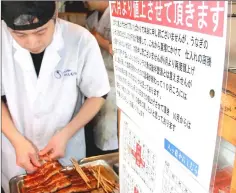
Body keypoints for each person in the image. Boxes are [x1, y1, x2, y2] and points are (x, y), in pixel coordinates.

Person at [1, 1, 110, 193]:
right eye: (20, 35)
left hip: (66, 146)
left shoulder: (80, 39)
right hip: (14, 146)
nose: (32, 43)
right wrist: (17, 140)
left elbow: (98, 94)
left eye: (41, 32)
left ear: (56, 17)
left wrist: (66, 133)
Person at [84, 1, 119, 154]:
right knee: (97, 128)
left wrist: (97, 37)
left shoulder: (118, 15)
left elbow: (117, 50)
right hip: (95, 78)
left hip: (115, 80)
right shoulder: (91, 19)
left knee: (110, 131)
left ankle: (110, 159)